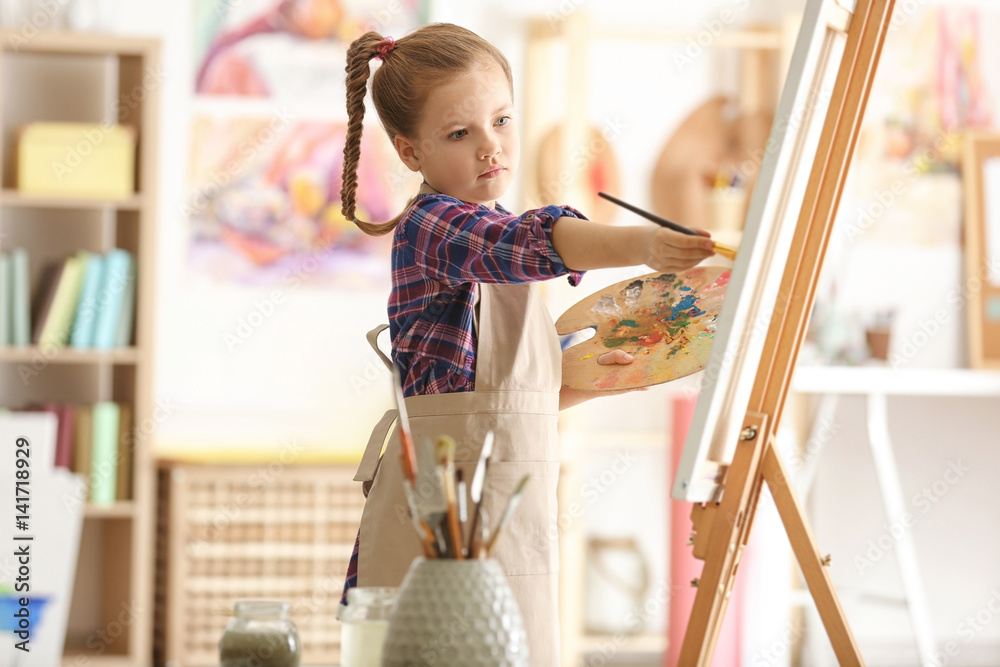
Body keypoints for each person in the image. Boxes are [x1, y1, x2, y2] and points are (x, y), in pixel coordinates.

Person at [338, 23, 715, 665]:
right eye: (460, 134)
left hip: (503, 526)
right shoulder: (434, 229)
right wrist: (642, 245)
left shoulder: (490, 234)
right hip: (437, 530)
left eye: (502, 120)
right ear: (410, 151)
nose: (491, 146)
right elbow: (525, 243)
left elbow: (493, 413)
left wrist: (583, 382)